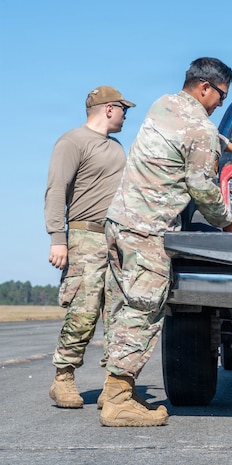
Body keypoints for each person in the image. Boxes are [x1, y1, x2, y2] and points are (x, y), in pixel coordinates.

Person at [98, 57, 232, 427]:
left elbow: (197, 131)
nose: (219, 104)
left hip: (120, 222)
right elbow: (202, 188)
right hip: (149, 229)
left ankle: (111, 387)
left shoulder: (163, 105)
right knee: (144, 309)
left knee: (121, 308)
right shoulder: (199, 127)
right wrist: (229, 223)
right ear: (204, 88)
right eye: (220, 96)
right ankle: (118, 401)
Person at [44, 86, 135, 409]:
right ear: (109, 109)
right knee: (82, 312)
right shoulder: (72, 142)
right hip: (84, 237)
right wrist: (58, 239)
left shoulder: (117, 147)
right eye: (124, 109)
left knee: (118, 315)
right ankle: (64, 378)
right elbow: (56, 191)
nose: (127, 115)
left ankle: (114, 387)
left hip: (117, 239)